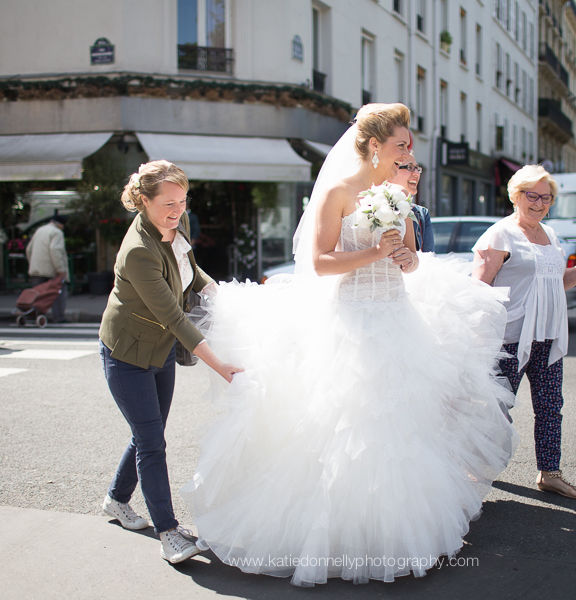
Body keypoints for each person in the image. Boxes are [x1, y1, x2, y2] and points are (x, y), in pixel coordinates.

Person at [180, 103, 518, 586]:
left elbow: (413, 262)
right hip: (353, 322)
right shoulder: (338, 192)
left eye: (410, 146)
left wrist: (403, 256)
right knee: (350, 426)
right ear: (375, 146)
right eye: (402, 145)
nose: (408, 153)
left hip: (399, 319)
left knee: (402, 426)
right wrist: (373, 252)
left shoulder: (397, 195)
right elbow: (319, 262)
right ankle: (338, 536)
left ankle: (396, 535)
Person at [98, 160, 242, 564]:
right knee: (152, 442)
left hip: (159, 349)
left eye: (182, 201)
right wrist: (220, 366)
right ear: (143, 201)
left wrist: (220, 293)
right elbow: (174, 317)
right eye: (168, 203)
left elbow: (190, 272)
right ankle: (168, 532)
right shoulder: (139, 253)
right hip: (127, 354)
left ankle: (115, 500)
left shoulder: (180, 224)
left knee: (149, 432)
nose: (177, 210)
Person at [471, 164, 576, 500]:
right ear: (515, 195)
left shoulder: (551, 234)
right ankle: (473, 473)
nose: (539, 203)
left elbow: (555, 283)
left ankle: (550, 473)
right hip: (509, 339)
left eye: (546, 198)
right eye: (531, 195)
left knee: (549, 407)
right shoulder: (499, 235)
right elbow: (477, 289)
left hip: (546, 336)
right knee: (496, 410)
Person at [26, 214, 69, 323]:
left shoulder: (40, 230)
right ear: (60, 224)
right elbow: (55, 250)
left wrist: (33, 263)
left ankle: (36, 315)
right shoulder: (57, 233)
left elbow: (29, 249)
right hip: (52, 270)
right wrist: (60, 269)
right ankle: (58, 317)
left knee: (37, 294)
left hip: (37, 269)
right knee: (58, 293)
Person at [388, 153, 434, 252]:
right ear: (391, 171)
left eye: (418, 168)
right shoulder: (372, 208)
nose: (417, 173)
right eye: (410, 167)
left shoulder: (422, 213)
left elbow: (428, 257)